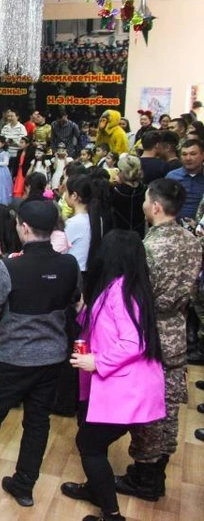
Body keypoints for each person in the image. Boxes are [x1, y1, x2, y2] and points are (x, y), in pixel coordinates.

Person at [0, 201, 81, 509]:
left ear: (24, 228)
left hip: (12, 357)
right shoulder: (69, 264)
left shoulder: (12, 267)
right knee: (38, 422)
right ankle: (24, 486)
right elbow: (74, 298)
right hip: (53, 356)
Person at [60, 230, 165, 521]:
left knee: (89, 445)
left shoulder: (121, 291)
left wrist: (98, 361)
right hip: (124, 386)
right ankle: (96, 489)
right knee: (93, 441)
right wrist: (81, 308)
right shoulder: (123, 286)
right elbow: (103, 324)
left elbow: (133, 342)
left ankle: (112, 514)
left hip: (126, 388)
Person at [113, 179, 201, 501]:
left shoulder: (149, 248)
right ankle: (154, 473)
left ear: (156, 206)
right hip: (177, 330)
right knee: (170, 405)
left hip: (150, 334)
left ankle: (146, 480)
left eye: (146, 200)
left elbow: (137, 295)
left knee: (149, 408)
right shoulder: (192, 241)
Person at [164, 138, 204, 219]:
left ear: (202, 155)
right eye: (184, 154)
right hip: (175, 224)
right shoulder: (172, 177)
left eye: (193, 154)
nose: (188, 158)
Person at [109, 154, 146, 237]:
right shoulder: (145, 190)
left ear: (122, 172)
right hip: (139, 235)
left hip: (118, 235)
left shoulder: (114, 191)